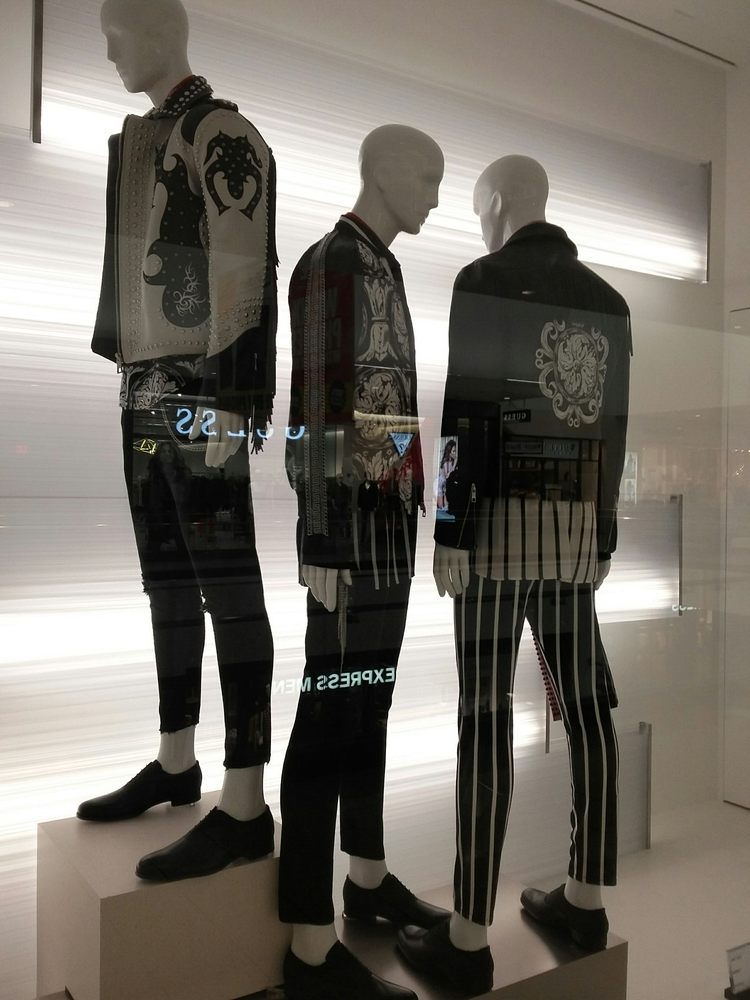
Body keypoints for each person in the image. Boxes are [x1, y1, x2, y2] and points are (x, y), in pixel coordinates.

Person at [397, 155, 631, 993]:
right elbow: (613, 428)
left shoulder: (484, 278)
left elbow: (469, 406)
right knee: (589, 712)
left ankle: (468, 937)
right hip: (573, 542)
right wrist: (603, 532)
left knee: (485, 719)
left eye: (475, 207)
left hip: (493, 540)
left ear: (495, 203)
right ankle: (586, 900)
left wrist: (449, 529)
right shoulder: (608, 301)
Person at [77, 0, 278, 883]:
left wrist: (233, 398)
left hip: (200, 396)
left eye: (116, 33)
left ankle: (246, 801)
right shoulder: (149, 137)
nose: (109, 50)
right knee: (165, 582)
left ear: (157, 29)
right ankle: (175, 759)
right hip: (143, 397)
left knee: (230, 591)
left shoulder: (219, 131)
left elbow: (244, 262)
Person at [280, 125, 448, 1000]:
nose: (434, 196)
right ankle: (309, 943)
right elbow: (314, 398)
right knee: (327, 718)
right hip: (346, 540)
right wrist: (319, 536)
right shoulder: (332, 264)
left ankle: (368, 879)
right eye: (427, 177)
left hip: (389, 534)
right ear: (382, 171)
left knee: (369, 707)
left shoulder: (386, 266)